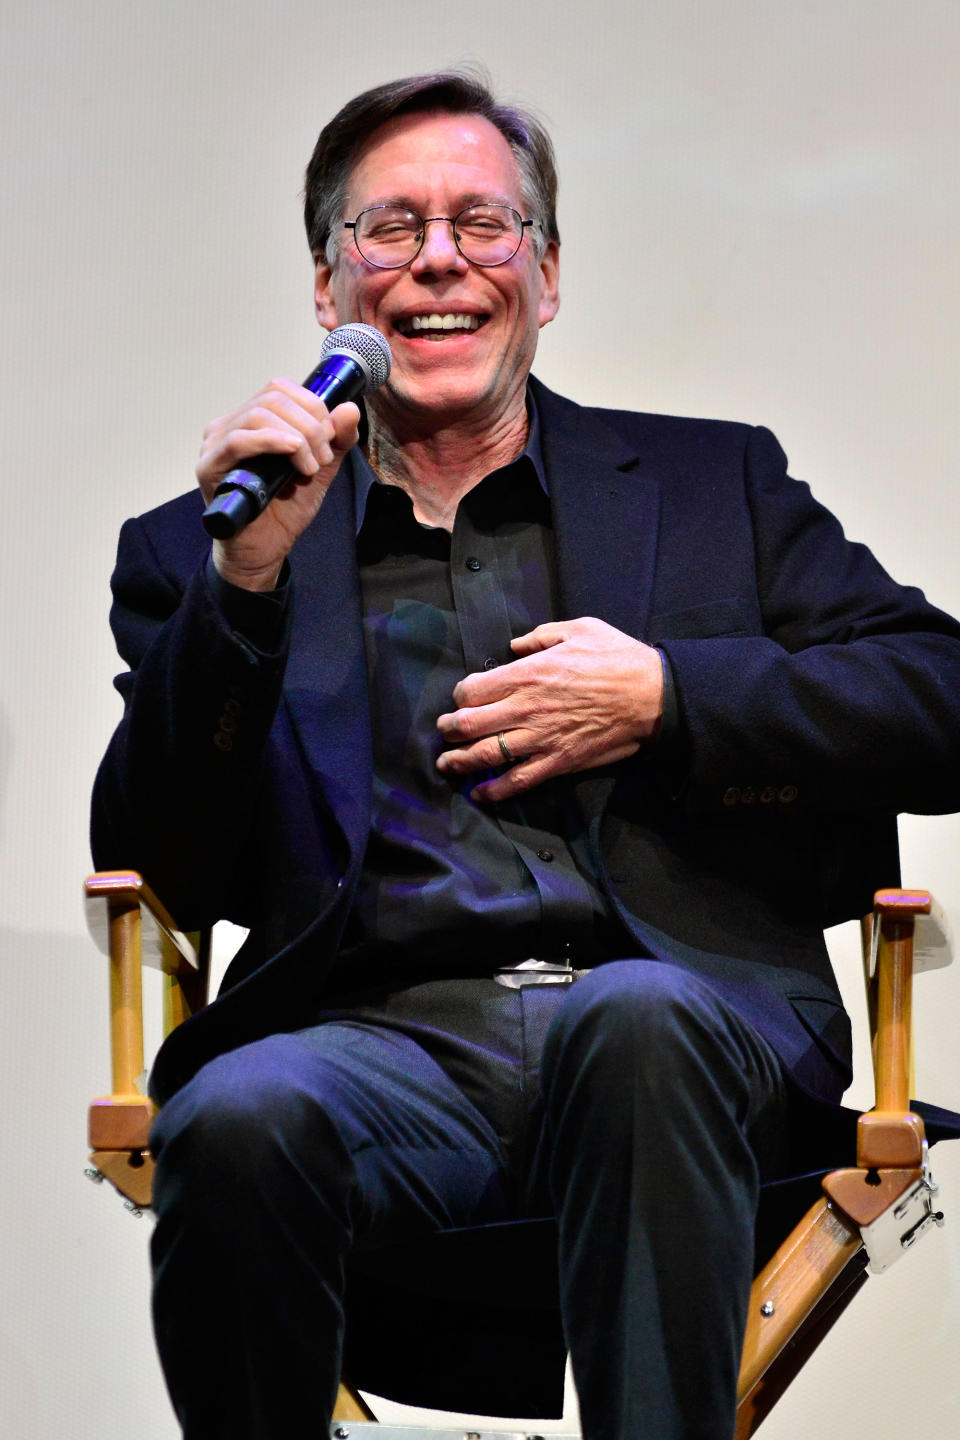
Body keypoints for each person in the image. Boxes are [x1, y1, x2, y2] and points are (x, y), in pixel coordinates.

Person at [92, 70, 960, 1440]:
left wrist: (670, 698)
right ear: (331, 291)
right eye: (389, 229)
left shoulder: (709, 486)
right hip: (378, 1045)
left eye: (483, 225)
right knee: (237, 1112)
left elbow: (940, 697)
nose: (438, 260)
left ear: (546, 276)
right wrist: (243, 591)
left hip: (685, 1022)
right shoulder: (204, 543)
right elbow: (160, 849)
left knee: (638, 1018)